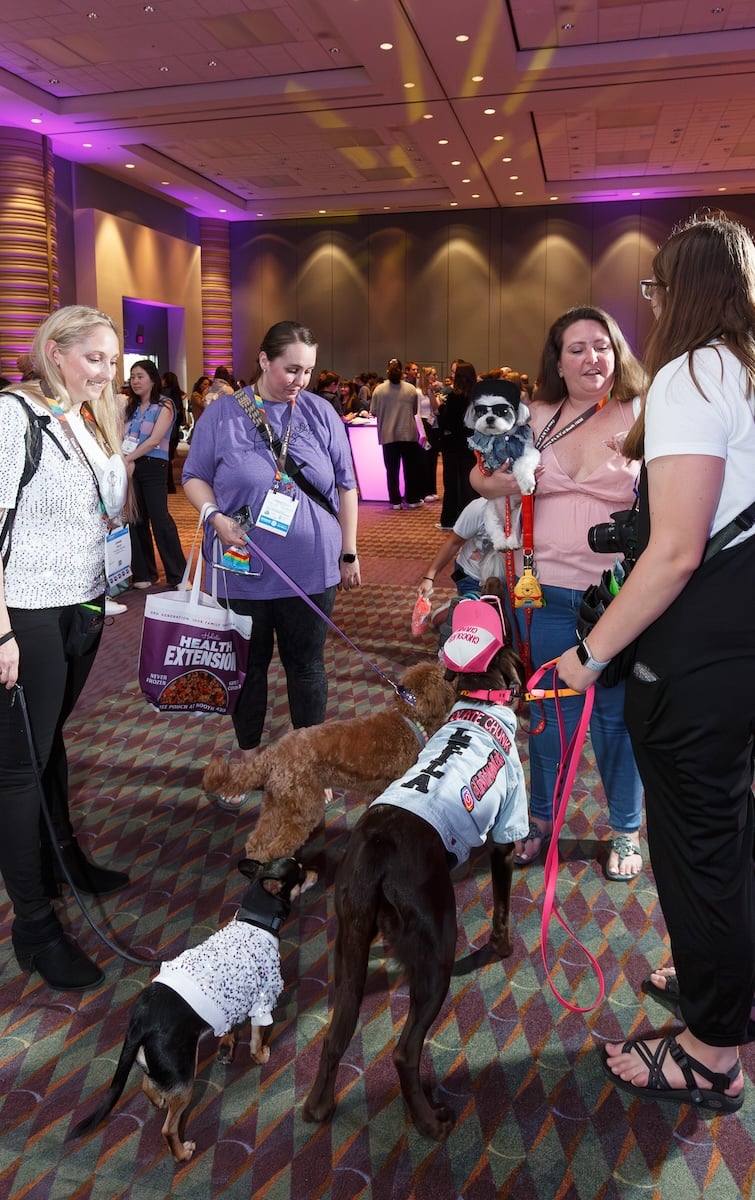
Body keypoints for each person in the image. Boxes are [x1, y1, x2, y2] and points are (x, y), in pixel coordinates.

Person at [558, 213, 755, 1113]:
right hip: (741, 631)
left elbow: (673, 550)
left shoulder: (691, 371)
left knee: (699, 846)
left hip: (703, 638)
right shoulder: (745, 369)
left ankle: (712, 1049)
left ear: (679, 291)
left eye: (655, 288)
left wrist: (589, 654)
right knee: (732, 830)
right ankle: (729, 987)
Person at [471, 306, 645, 880]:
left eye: (602, 345)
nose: (591, 357)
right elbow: (479, 473)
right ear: (557, 360)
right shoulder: (536, 416)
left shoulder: (641, 413)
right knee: (548, 720)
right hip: (542, 595)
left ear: (617, 351)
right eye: (577, 348)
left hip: (618, 599)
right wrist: (494, 480)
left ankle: (624, 829)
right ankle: (541, 821)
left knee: (616, 724)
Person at [0, 305, 131, 991]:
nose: (108, 373)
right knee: (20, 768)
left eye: (112, 360)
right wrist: (0, 632)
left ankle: (64, 860)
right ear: (53, 350)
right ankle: (34, 925)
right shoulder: (12, 415)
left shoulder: (84, 415)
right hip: (26, 609)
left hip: (84, 599)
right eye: (94, 359)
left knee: (52, 745)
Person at [183, 320, 361, 811]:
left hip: (311, 566)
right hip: (242, 567)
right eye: (290, 368)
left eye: (307, 370)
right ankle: (248, 759)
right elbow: (194, 477)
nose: (299, 379)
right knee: (248, 668)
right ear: (263, 361)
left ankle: (310, 762)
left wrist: (349, 551)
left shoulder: (322, 413)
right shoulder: (222, 414)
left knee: (307, 668)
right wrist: (214, 516)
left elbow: (346, 486)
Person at [123, 359, 187, 588]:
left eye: (140, 376)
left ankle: (178, 574)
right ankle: (143, 574)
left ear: (152, 379)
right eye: (132, 377)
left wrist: (127, 459)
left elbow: (153, 440)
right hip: (131, 466)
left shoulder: (165, 405)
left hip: (152, 465)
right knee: (136, 519)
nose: (135, 381)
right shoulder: (131, 407)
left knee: (160, 520)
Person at [370, 358, 425, 509]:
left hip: (388, 435)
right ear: (402, 371)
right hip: (408, 434)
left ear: (387, 370)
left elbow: (373, 412)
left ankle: (395, 501)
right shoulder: (410, 389)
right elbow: (414, 411)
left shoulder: (379, 389)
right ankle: (412, 499)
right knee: (410, 469)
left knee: (392, 470)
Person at [436, 359, 479, 529]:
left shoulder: (455, 396)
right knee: (470, 483)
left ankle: (449, 519)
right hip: (472, 443)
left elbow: (448, 423)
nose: (451, 376)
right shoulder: (477, 396)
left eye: (454, 373)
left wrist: (441, 409)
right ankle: (470, 520)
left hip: (453, 444)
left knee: (451, 483)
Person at [417, 365, 441, 501]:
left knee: (432, 459)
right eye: (433, 374)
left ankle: (432, 489)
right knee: (424, 459)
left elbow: (436, 409)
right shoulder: (418, 392)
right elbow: (417, 413)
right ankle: (424, 491)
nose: (436, 377)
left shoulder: (432, 392)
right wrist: (421, 431)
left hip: (434, 425)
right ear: (427, 376)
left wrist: (431, 392)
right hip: (424, 424)